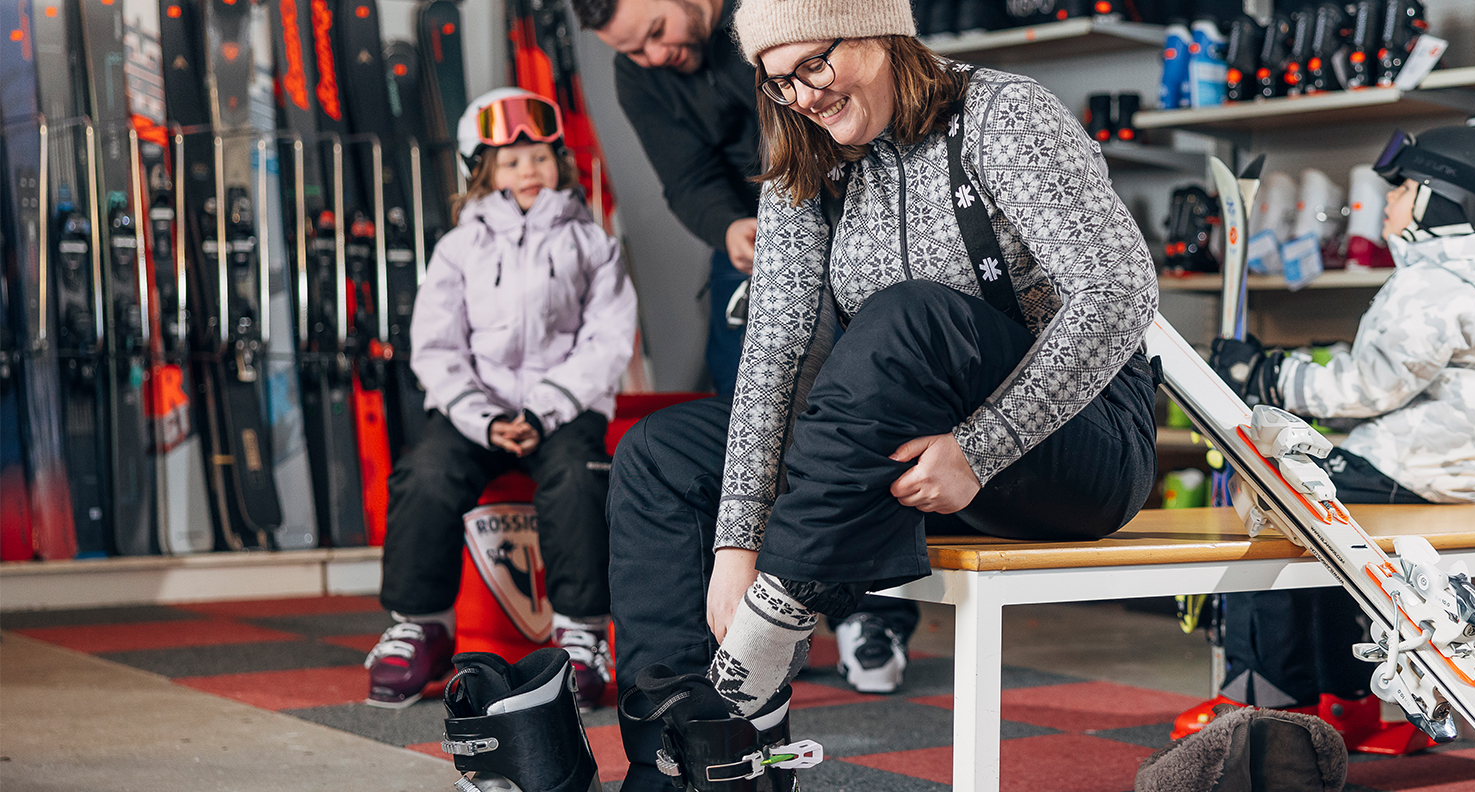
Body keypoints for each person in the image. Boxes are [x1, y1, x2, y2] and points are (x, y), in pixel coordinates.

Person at [603, 0, 1161, 786]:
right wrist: (735, 542)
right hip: (907, 461)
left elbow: (1119, 290)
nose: (803, 97)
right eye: (779, 83)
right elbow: (778, 351)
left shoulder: (1001, 113)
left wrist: (980, 446)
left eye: (814, 66)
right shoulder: (806, 155)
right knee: (662, 452)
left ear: (876, 28)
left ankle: (759, 648)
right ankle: (688, 759)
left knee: (909, 314)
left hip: (1073, 449)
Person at [574, 0, 925, 690]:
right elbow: (685, 178)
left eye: (653, 34)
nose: (651, 56)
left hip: (855, 202)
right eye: (632, 51)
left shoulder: (780, 14)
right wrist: (728, 227)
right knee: (747, 417)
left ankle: (872, 609)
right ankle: (759, 610)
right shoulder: (638, 72)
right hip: (749, 233)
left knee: (882, 404)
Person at [1194, 125, 1475, 745]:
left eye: (1405, 187)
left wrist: (1264, 373)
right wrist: (1293, 367)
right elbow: (1401, 373)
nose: (1386, 202)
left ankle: (1269, 710)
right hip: (1451, 471)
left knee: (1272, 524)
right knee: (1331, 553)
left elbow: (1363, 391)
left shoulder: (1433, 282)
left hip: (1404, 469)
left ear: (1444, 200)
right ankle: (1345, 703)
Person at [363, 89, 636, 713]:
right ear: (482, 171)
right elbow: (435, 346)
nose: (528, 171)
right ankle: (422, 625)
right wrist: (483, 418)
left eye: (540, 157)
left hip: (562, 409)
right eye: (511, 162)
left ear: (561, 164)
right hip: (474, 410)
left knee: (578, 478)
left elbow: (607, 340)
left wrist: (542, 410)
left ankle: (582, 634)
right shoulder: (458, 248)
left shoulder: (592, 243)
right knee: (424, 474)